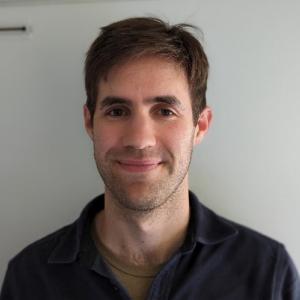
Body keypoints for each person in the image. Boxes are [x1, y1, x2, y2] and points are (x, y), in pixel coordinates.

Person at [1, 17, 299, 300]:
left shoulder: (266, 272)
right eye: (117, 111)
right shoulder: (30, 277)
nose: (140, 140)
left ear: (201, 126)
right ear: (90, 123)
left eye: (165, 111)